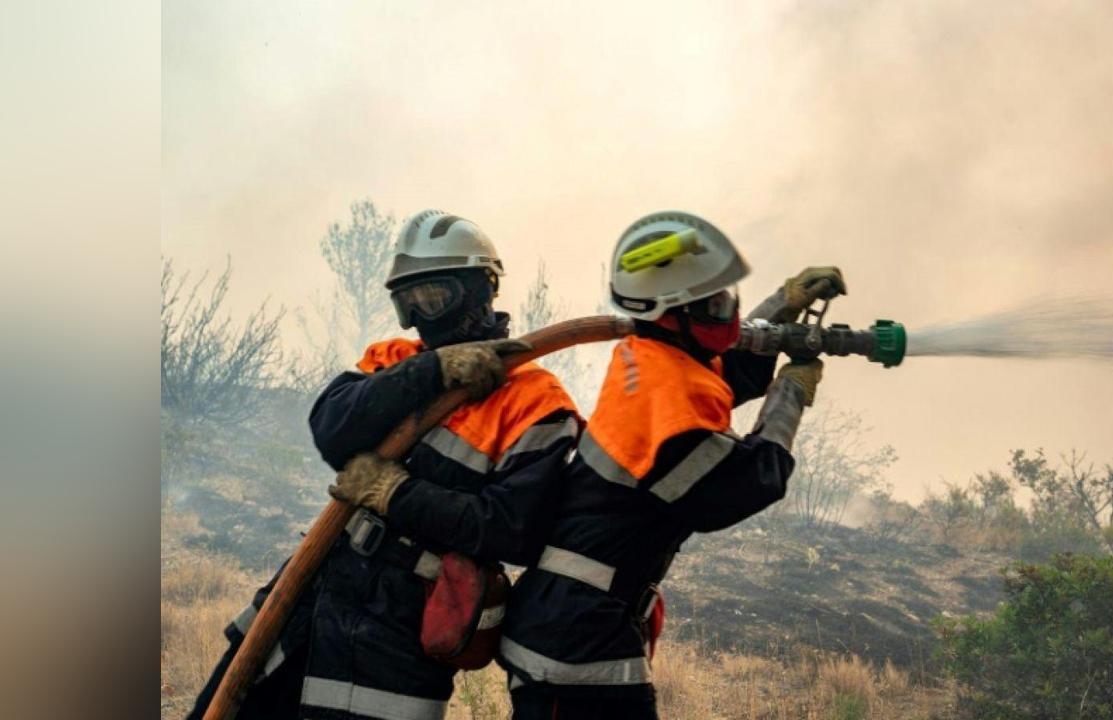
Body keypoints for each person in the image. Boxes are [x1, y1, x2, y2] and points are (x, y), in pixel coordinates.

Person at [187, 210, 581, 720]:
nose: (421, 316)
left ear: (483, 290)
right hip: (309, 601)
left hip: (397, 627)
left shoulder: (536, 401)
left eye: (434, 296)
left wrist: (396, 494)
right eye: (406, 301)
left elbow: (514, 530)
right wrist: (430, 371)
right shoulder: (396, 360)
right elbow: (331, 427)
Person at [494, 210, 844, 719]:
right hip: (574, 640)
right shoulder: (667, 414)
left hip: (572, 620)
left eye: (731, 298)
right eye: (716, 303)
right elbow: (747, 483)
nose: (730, 313)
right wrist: (790, 394)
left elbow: (720, 378)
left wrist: (781, 309)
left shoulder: (653, 355)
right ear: (671, 312)